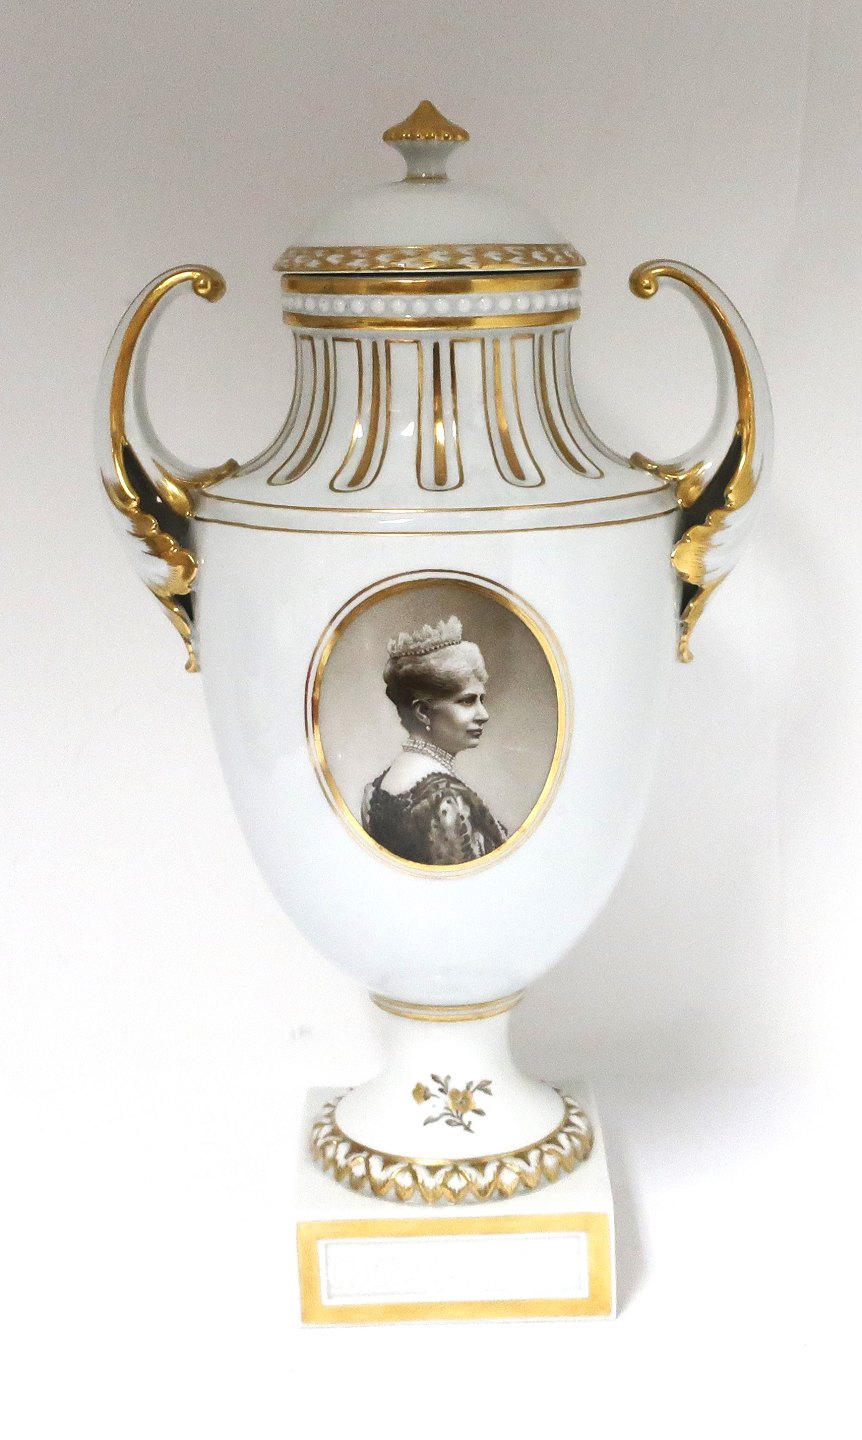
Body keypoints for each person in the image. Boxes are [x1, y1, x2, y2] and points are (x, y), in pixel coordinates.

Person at [361, 616, 508, 865]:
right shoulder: (447, 799)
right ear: (423, 712)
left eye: (481, 700)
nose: (484, 715)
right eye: (467, 701)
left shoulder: (374, 791)